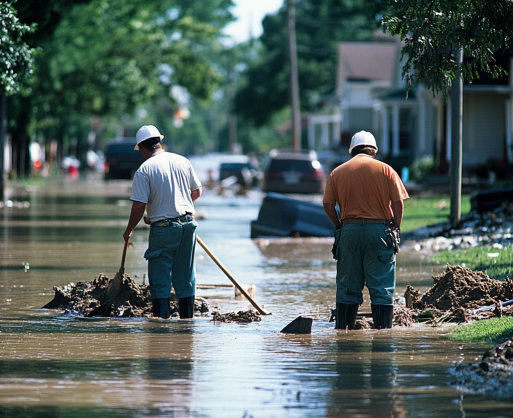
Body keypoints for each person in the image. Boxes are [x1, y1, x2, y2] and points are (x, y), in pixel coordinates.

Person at [323, 131, 409, 330]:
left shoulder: (338, 172)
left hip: (349, 231)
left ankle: (344, 333)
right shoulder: (386, 170)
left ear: (352, 150)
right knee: (381, 287)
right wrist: (396, 227)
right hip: (379, 232)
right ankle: (383, 335)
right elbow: (398, 202)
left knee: (347, 286)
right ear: (374, 151)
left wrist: (339, 226)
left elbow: (328, 205)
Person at [123, 125, 202, 319]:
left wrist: (129, 230)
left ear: (142, 147)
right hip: (188, 225)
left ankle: (161, 327)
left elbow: (139, 207)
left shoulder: (145, 170)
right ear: (159, 142)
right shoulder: (182, 161)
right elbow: (197, 192)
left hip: (163, 229)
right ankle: (187, 324)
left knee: (160, 279)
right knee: (185, 277)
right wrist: (179, 207)